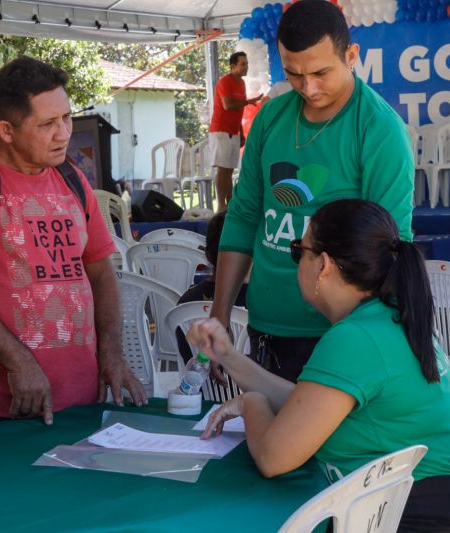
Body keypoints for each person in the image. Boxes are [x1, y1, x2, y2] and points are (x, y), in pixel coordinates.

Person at [190, 199, 450, 532]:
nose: (296, 260)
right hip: (429, 507)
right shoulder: (387, 318)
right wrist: (228, 355)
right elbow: (307, 406)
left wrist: (251, 402)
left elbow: (272, 457)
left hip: (403, 517)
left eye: (299, 250)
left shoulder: (356, 338)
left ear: (323, 264)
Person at [0, 56, 147, 431]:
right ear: (6, 130)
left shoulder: (72, 178)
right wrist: (20, 363)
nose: (64, 133)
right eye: (47, 124)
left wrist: (111, 350)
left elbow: (100, 270)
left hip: (83, 395)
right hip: (6, 401)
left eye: (66, 117)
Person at [210, 0, 415, 384]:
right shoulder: (271, 118)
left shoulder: (378, 129)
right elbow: (243, 217)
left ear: (351, 55)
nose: (308, 87)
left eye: (321, 72)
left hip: (340, 335)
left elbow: (392, 244)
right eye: (294, 73)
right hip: (268, 324)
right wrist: (220, 310)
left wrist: (363, 338)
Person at [175, 211, 247, 363]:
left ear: (207, 254)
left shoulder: (186, 303)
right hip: (253, 385)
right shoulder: (263, 305)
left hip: (201, 385)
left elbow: (187, 359)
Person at [209, 51, 263, 212]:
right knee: (223, 169)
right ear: (233, 66)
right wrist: (249, 102)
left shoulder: (241, 84)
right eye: (243, 64)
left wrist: (240, 131)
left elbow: (237, 111)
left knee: (230, 169)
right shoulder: (224, 82)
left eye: (247, 63)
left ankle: (230, 202)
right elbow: (228, 105)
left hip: (233, 130)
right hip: (220, 130)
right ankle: (221, 204)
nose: (246, 67)